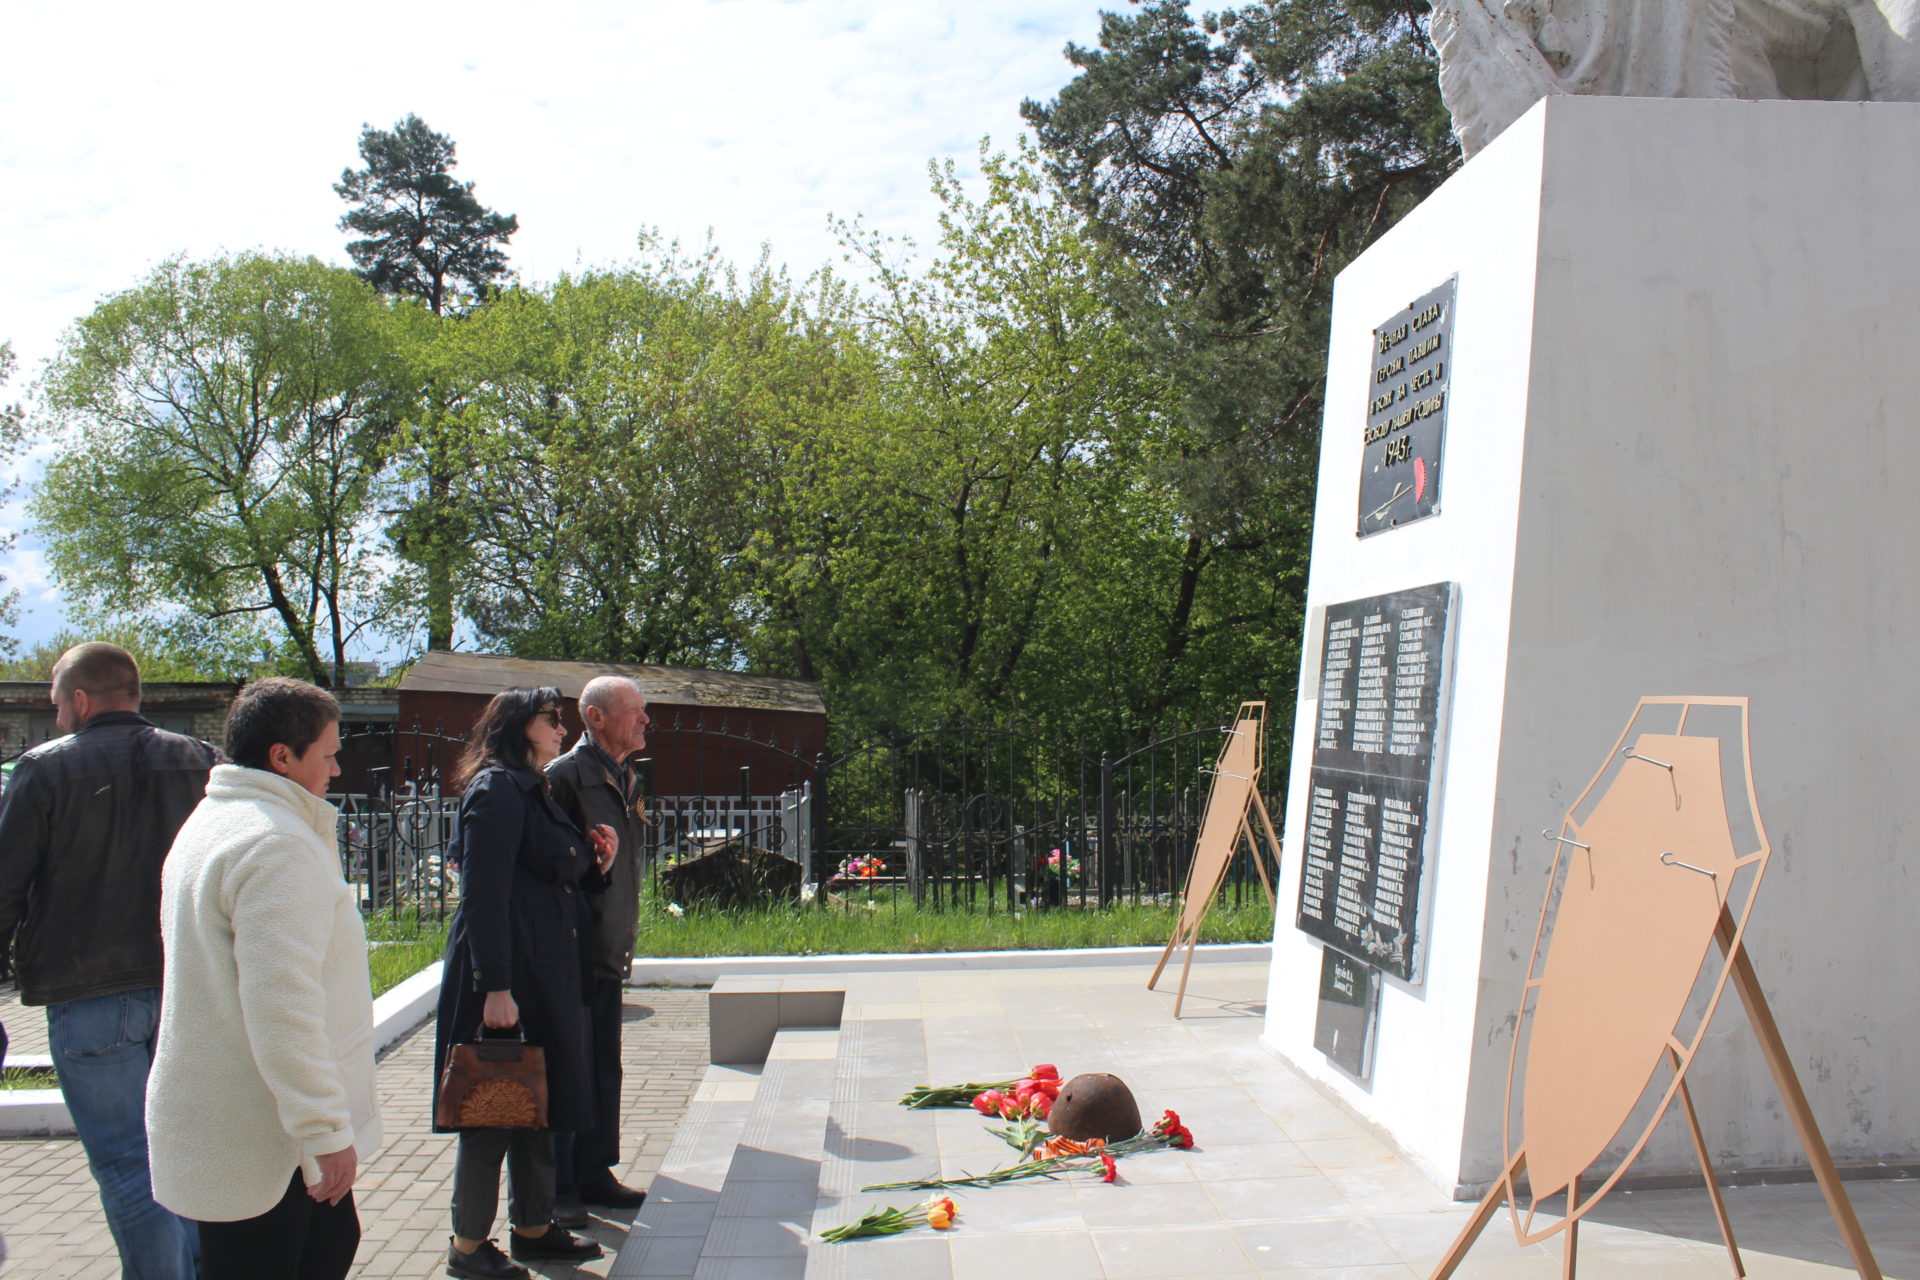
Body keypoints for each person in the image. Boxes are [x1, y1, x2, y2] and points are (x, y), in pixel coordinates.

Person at [146, 677, 380, 1280]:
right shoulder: (275, 844)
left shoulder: (217, 819)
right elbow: (282, 1005)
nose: (336, 769)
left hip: (235, 1121)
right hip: (264, 1137)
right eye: (327, 754)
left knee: (329, 1242)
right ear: (282, 756)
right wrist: (325, 1129)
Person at [0, 642, 217, 1280]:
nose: (56, 716)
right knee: (185, 1156)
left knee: (128, 1163)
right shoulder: (202, 761)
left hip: (87, 993)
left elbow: (4, 888)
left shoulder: (42, 770)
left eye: (57, 704)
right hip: (189, 988)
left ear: (80, 700)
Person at [434, 687, 617, 1280]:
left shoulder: (531, 788)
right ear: (519, 726)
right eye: (550, 719)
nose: (562, 730)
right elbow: (482, 895)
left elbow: (549, 877)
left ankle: (534, 1228)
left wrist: (598, 865)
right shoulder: (496, 790)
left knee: (537, 1101)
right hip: (507, 976)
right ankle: (468, 1247)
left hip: (542, 974)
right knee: (492, 1108)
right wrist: (495, 986)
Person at [545, 675, 653, 1222]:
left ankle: (594, 1173)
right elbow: (549, 866)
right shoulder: (565, 777)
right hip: (572, 952)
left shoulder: (627, 777)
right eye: (634, 710)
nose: (645, 719)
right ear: (595, 716)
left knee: (603, 1066)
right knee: (570, 1070)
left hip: (609, 948)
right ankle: (560, 1187)